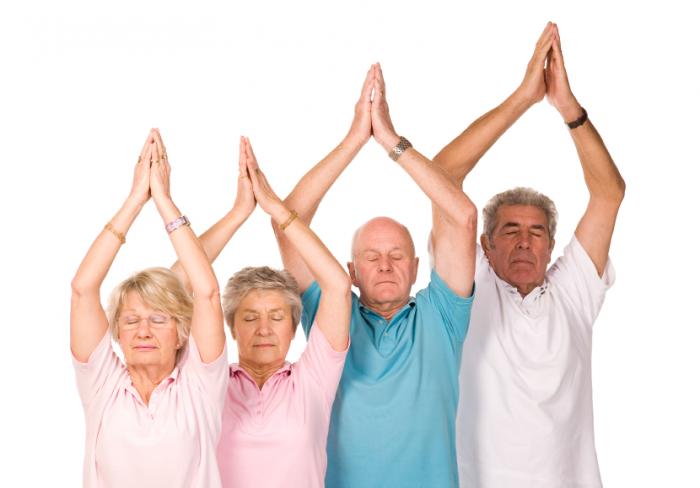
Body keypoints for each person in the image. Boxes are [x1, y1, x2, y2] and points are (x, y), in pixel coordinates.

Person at [433, 23, 625, 487]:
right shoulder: (468, 289)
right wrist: (523, 98)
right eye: (511, 230)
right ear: (485, 244)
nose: (524, 242)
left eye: (537, 232)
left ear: (551, 246)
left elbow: (609, 194)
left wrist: (568, 109)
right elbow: (441, 175)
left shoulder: (573, 292)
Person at [274, 64, 477, 487]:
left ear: (418, 267)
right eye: (371, 257)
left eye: (397, 255)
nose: (385, 265)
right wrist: (355, 139)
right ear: (349, 272)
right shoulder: (329, 315)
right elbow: (287, 220)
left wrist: (389, 141)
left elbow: (462, 217)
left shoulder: (441, 316)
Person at [171, 137, 352, 488]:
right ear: (232, 328)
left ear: (294, 327)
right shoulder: (207, 381)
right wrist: (237, 214)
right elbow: (173, 285)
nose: (264, 329)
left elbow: (338, 286)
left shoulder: (313, 380)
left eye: (277, 317)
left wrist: (275, 209)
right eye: (250, 318)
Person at [70, 129, 228, 487]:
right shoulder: (102, 384)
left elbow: (206, 292)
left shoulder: (200, 385)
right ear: (118, 333)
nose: (143, 331)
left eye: (158, 319)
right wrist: (134, 200)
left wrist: (164, 204)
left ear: (180, 335)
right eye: (131, 320)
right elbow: (83, 289)